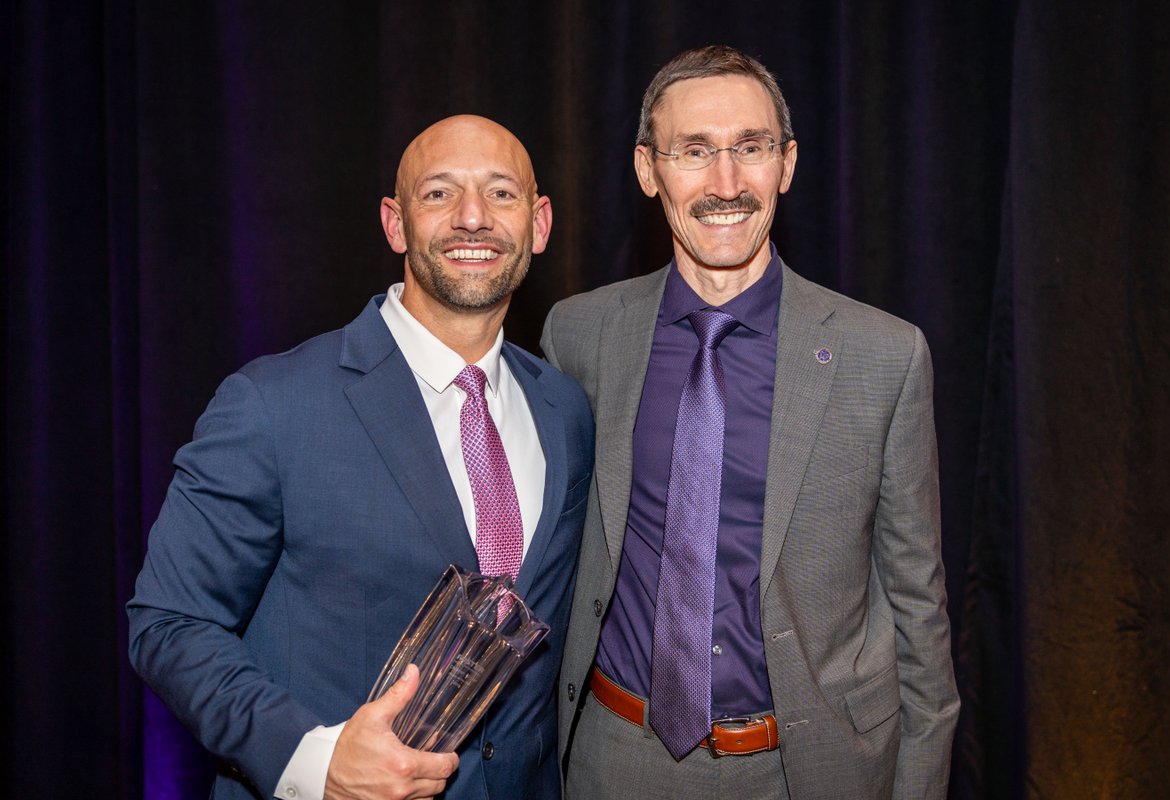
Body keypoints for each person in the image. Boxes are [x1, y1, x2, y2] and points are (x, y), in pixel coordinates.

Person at [129, 115, 595, 800]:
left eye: (501, 194)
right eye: (439, 194)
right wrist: (313, 760)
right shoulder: (272, 403)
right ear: (395, 223)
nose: (473, 218)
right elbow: (168, 624)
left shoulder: (565, 410)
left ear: (540, 222)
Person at [541, 46, 959, 798]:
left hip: (808, 770)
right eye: (694, 152)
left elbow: (917, 609)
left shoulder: (883, 356)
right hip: (615, 759)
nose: (725, 184)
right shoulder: (579, 337)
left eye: (751, 149)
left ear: (787, 164)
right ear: (648, 170)